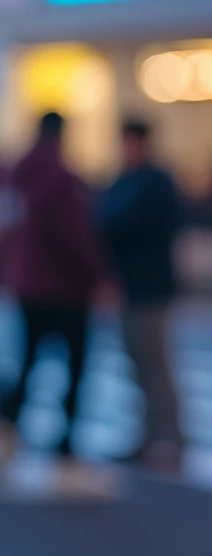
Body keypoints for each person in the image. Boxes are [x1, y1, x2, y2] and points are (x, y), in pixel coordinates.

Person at [0, 109, 107, 460]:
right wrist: (98, 276)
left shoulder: (14, 174)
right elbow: (75, 236)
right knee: (74, 364)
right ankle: (66, 434)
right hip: (65, 288)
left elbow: (3, 226)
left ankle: (9, 423)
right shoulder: (62, 177)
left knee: (28, 358)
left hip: (27, 283)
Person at [100, 121, 183, 472]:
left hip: (149, 286)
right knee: (139, 365)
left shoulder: (153, 182)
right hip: (131, 286)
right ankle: (150, 434)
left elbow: (115, 220)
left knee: (154, 364)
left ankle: (169, 437)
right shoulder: (127, 180)